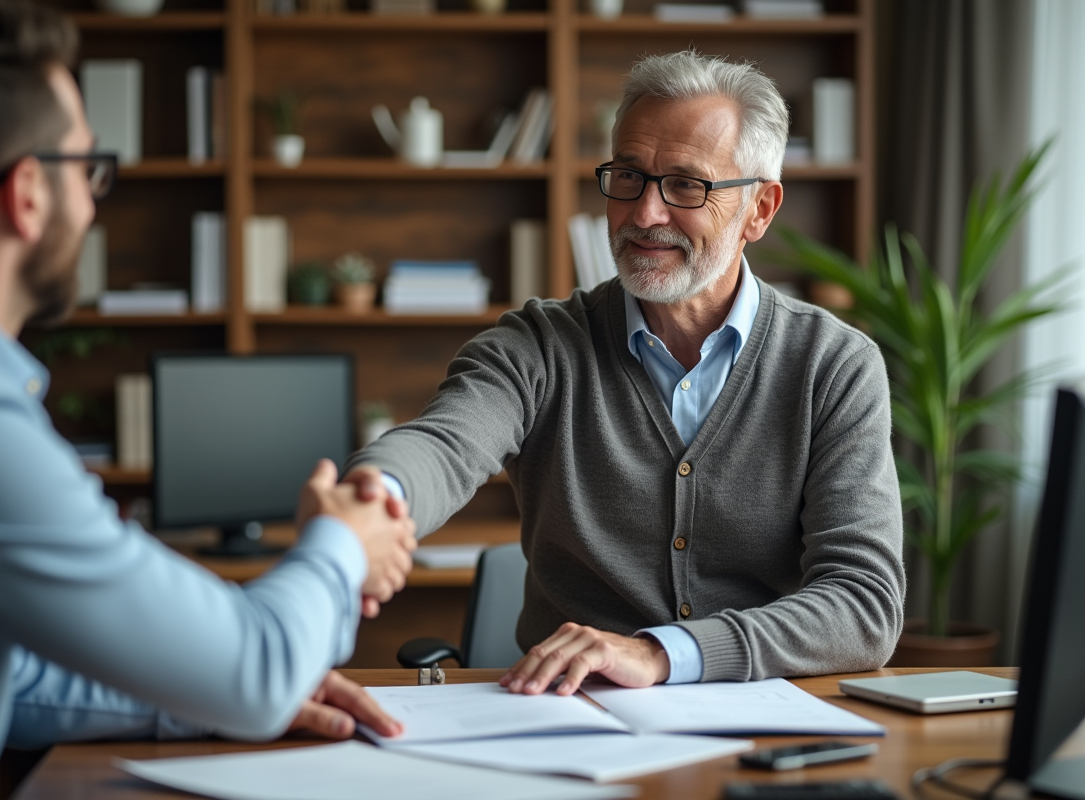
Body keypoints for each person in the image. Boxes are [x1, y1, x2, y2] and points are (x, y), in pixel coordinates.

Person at [0, 1, 416, 797]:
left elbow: (11, 676)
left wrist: (200, 695)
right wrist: (343, 543)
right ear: (28, 192)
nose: (95, 202)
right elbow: (257, 668)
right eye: (88, 168)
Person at [341, 51, 905, 695]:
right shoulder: (539, 346)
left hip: (768, 718)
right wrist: (371, 496)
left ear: (759, 208)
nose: (643, 215)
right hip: (571, 712)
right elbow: (444, 445)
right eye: (629, 176)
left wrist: (664, 654)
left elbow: (864, 605)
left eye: (686, 186)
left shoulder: (833, 365)